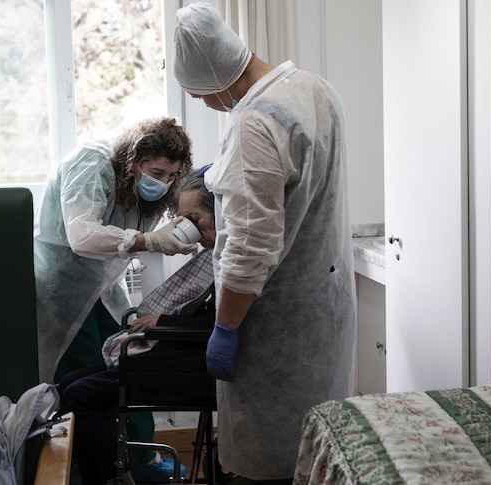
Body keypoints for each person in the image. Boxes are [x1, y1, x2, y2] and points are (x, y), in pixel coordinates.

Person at [172, 3, 357, 483]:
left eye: (200, 95)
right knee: (323, 452)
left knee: (273, 460)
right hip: (324, 311)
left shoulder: (253, 123)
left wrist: (226, 327)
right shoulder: (316, 90)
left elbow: (250, 247)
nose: (208, 105)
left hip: (276, 331)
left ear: (215, 76)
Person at [56, 175, 217, 485]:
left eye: (195, 219)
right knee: (67, 385)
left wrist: (162, 322)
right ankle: (106, 476)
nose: (192, 230)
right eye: (184, 221)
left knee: (80, 395)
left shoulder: (233, 260)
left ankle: (116, 477)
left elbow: (217, 325)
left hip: (187, 367)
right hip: (172, 355)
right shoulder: (215, 255)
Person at [34, 116, 197, 385]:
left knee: (125, 354)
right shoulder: (91, 163)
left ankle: (124, 427)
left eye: (172, 175)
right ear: (132, 160)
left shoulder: (155, 188)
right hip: (62, 285)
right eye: (157, 173)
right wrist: (150, 241)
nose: (164, 183)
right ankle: (87, 428)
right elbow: (82, 236)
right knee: (83, 371)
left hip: (103, 285)